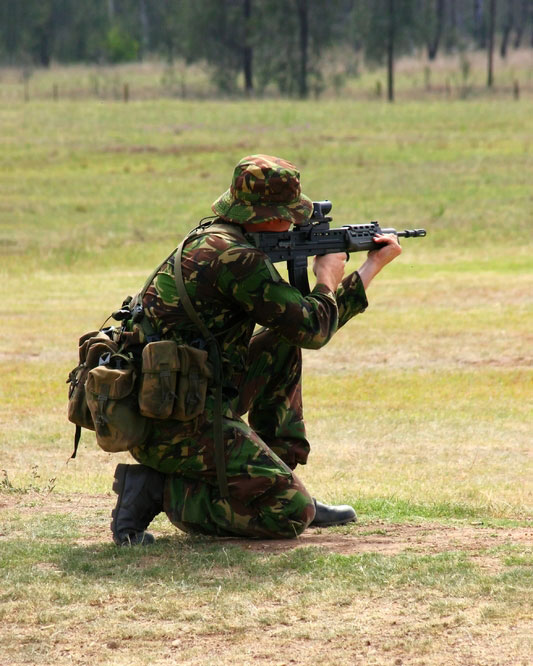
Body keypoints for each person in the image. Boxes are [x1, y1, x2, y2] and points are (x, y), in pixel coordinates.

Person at [110, 154, 401, 545]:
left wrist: (366, 269)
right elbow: (314, 328)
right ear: (265, 216)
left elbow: (298, 327)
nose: (295, 222)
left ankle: (279, 476)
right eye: (289, 215)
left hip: (184, 401)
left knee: (281, 344)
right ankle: (156, 489)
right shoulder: (237, 258)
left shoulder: (216, 237)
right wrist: (330, 279)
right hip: (176, 426)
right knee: (291, 514)